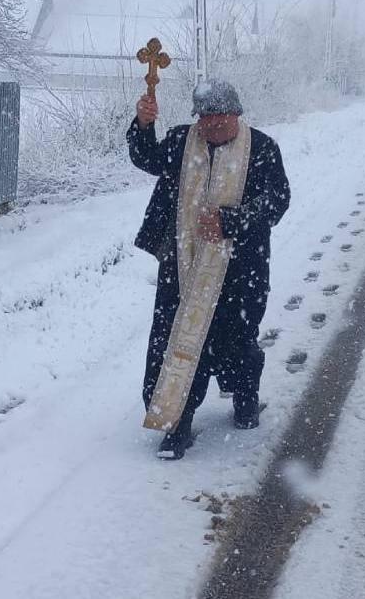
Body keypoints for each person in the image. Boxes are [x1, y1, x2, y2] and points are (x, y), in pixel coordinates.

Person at [127, 79, 290, 460]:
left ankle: (245, 399)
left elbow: (277, 202)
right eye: (205, 119)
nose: (212, 126)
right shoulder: (182, 142)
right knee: (177, 341)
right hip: (181, 263)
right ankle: (176, 423)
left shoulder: (262, 148)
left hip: (240, 266)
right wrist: (143, 123)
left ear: (237, 114)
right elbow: (145, 158)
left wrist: (230, 221)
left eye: (220, 118)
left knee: (238, 338)